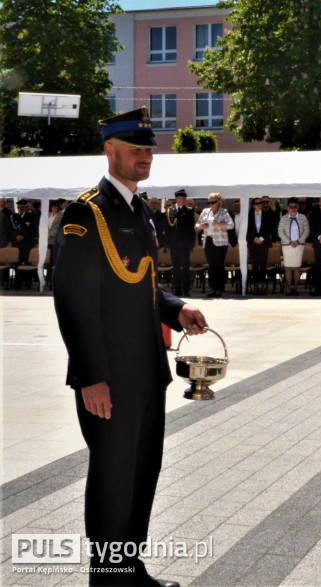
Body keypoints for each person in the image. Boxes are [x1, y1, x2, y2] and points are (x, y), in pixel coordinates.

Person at [52, 107, 208, 587]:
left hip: (147, 370)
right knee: (112, 478)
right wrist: (89, 376)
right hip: (109, 378)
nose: (145, 157)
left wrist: (175, 308)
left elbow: (140, 285)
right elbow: (74, 300)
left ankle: (129, 569)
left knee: (142, 474)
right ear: (110, 150)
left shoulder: (140, 210)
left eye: (148, 150)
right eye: (136, 149)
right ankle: (107, 579)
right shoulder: (85, 213)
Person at [194, 193, 234, 298]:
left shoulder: (224, 212)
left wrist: (218, 225)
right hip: (208, 241)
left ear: (218, 202)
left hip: (220, 242)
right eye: (209, 202)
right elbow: (197, 225)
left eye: (212, 202)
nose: (210, 204)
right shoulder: (205, 211)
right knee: (211, 265)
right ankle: (213, 288)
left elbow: (231, 225)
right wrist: (201, 226)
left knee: (219, 265)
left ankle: (219, 289)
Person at [166, 189, 195, 296]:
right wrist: (167, 243)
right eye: (180, 198)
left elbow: (191, 228)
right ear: (176, 199)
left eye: (184, 198)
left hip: (184, 244)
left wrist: (191, 243)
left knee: (185, 267)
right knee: (176, 267)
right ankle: (177, 289)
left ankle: (186, 289)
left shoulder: (188, 211)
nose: (182, 200)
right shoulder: (171, 211)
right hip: (174, 243)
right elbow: (168, 228)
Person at [278, 197, 309, 296]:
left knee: (297, 268)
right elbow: (280, 232)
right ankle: (288, 288)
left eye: (295, 207)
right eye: (291, 207)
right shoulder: (283, 218)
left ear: (298, 207)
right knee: (287, 267)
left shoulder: (303, 218)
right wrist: (289, 241)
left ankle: (295, 287)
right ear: (288, 208)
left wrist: (299, 241)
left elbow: (306, 231)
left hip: (299, 246)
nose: (293, 209)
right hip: (287, 246)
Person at [246, 197, 275, 295]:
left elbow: (270, 229)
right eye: (256, 203)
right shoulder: (248, 216)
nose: (259, 204)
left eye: (260, 203)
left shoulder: (267, 215)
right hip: (253, 243)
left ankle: (262, 285)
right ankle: (255, 286)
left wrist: (262, 239)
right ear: (253, 205)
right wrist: (254, 239)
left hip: (264, 243)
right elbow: (248, 230)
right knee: (254, 265)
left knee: (263, 265)